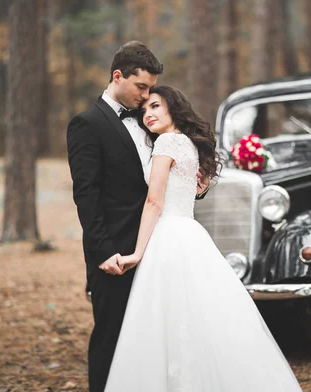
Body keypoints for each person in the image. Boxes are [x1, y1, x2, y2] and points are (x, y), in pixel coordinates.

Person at [102, 86, 303, 391]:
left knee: (168, 318)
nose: (149, 114)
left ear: (174, 108)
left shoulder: (166, 142)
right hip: (191, 233)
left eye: (155, 106)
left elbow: (154, 202)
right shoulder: (187, 143)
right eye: (144, 110)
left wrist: (138, 252)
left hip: (168, 236)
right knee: (202, 315)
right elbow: (194, 188)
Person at [67, 42, 209, 392]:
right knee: (112, 338)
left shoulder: (148, 121)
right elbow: (87, 195)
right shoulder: (87, 124)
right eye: (141, 87)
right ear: (118, 76)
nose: (146, 97)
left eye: (150, 90)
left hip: (160, 251)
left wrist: (198, 185)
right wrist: (103, 252)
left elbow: (167, 178)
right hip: (116, 252)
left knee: (156, 340)